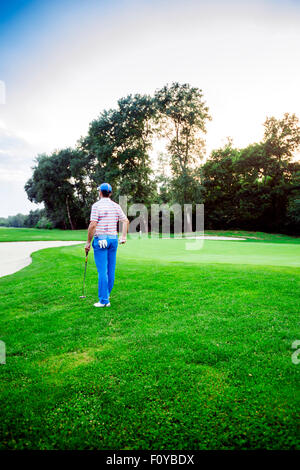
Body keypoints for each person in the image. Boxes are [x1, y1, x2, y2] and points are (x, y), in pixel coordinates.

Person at [85, 183, 129, 307]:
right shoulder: (115, 206)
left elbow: (93, 225)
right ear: (110, 193)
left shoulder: (96, 206)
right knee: (111, 269)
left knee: (102, 271)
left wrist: (88, 242)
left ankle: (104, 301)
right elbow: (125, 220)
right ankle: (106, 294)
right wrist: (123, 236)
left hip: (101, 240)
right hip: (113, 239)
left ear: (100, 192)